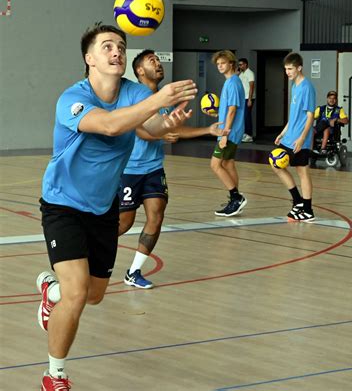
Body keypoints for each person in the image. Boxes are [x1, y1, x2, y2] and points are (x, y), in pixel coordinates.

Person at [36, 23, 196, 390]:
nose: (117, 51)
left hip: (103, 207)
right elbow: (108, 126)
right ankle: (54, 375)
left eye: (121, 46)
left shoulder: (135, 92)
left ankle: (52, 293)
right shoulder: (71, 100)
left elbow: (149, 127)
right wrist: (158, 100)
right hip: (63, 204)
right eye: (107, 46)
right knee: (77, 293)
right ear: (89, 59)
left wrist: (165, 121)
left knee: (92, 296)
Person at [119, 49, 225, 289]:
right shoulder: (135, 98)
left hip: (154, 169)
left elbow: (176, 130)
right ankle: (88, 250)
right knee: (123, 223)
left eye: (158, 60)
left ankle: (134, 271)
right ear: (139, 70)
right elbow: (140, 130)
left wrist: (208, 131)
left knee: (156, 216)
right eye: (151, 61)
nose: (157, 63)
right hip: (129, 170)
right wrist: (162, 133)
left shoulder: (164, 103)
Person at [273, 52, 316, 222]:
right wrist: (283, 132)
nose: (287, 72)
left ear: (299, 68)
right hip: (289, 137)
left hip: (300, 139)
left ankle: (307, 209)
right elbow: (294, 115)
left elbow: (310, 116)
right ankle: (297, 200)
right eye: (285, 69)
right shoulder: (294, 86)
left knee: (302, 172)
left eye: (290, 69)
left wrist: (302, 138)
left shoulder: (307, 87)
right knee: (276, 165)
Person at [211, 50, 247, 217]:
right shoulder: (233, 82)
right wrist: (217, 116)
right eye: (218, 64)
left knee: (215, 165)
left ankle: (236, 197)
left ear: (231, 64)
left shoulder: (232, 83)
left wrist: (224, 134)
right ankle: (236, 200)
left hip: (229, 133)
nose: (220, 66)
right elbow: (229, 110)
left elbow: (233, 110)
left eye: (223, 63)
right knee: (228, 164)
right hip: (232, 130)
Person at [238, 57, 255, 143]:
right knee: (243, 116)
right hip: (242, 98)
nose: (239, 66)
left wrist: (250, 99)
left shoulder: (250, 73)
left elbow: (252, 87)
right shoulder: (241, 74)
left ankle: (249, 135)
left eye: (241, 64)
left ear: (245, 64)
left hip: (248, 98)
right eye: (239, 65)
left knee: (247, 116)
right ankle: (245, 134)